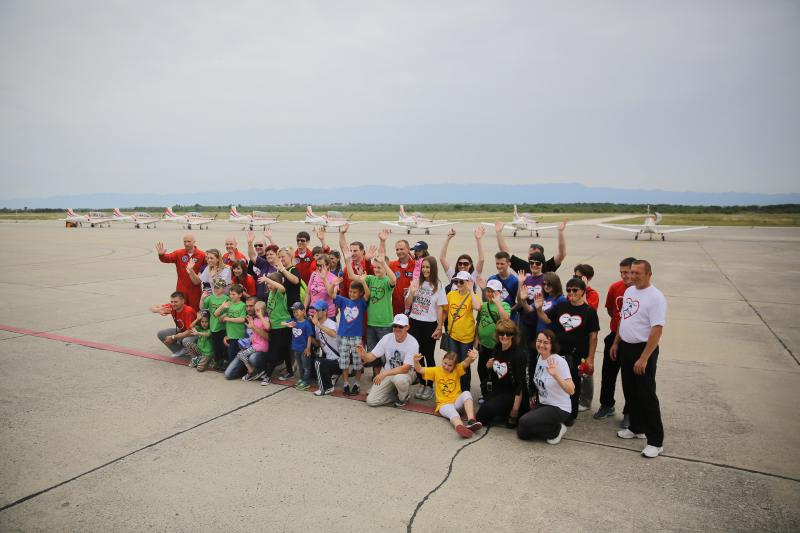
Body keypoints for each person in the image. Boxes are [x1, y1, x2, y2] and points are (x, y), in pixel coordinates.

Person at [612, 259, 667, 459]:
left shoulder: (656, 297)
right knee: (630, 391)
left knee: (646, 395)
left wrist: (644, 358)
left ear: (649, 274)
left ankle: (655, 441)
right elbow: (624, 318)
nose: (632, 276)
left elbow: (657, 330)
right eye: (631, 272)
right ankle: (636, 428)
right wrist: (616, 342)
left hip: (643, 350)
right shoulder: (629, 291)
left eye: (637, 273)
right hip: (626, 347)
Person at [534, 277, 599, 426]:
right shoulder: (562, 305)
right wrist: (539, 309)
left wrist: (590, 357)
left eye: (575, 290)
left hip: (576, 355)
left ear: (583, 291)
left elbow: (593, 336)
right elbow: (547, 320)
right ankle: (553, 407)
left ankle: (571, 414)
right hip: (558, 352)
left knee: (573, 383)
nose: (571, 293)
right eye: (569, 290)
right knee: (554, 379)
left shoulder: (589, 311)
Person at [594, 257, 636, 425]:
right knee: (608, 373)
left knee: (629, 378)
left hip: (631, 338)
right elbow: (611, 310)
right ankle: (607, 405)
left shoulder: (638, 291)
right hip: (614, 335)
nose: (624, 276)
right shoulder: (615, 287)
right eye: (621, 272)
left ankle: (629, 412)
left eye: (627, 272)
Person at [517, 330, 575, 444]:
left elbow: (571, 390)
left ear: (552, 345)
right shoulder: (540, 357)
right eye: (539, 341)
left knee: (524, 422)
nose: (541, 345)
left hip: (559, 407)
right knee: (522, 433)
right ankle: (548, 425)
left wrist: (556, 375)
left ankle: (557, 430)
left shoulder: (559, 362)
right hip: (543, 404)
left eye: (546, 342)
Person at [414, 351, 483, 438]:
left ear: (454, 366)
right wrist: (416, 361)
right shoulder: (436, 370)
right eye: (445, 363)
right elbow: (420, 370)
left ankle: (471, 421)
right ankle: (460, 426)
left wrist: (471, 357)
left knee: (466, 393)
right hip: (443, 404)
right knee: (453, 414)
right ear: (442, 360)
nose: (446, 366)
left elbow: (466, 362)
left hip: (457, 402)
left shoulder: (457, 369)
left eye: (450, 365)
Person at [406, 256, 447, 401]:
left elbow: (440, 308)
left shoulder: (438, 285)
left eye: (428, 267)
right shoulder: (416, 283)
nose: (425, 269)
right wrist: (412, 292)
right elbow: (408, 304)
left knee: (428, 355)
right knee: (417, 355)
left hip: (430, 324)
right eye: (423, 267)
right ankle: (422, 383)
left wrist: (439, 327)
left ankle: (429, 385)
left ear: (433, 268)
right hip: (415, 321)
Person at [358, 314, 419, 407]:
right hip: (388, 372)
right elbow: (372, 356)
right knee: (371, 401)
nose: (397, 329)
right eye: (395, 326)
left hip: (405, 373)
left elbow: (405, 368)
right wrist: (363, 354)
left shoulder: (413, 343)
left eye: (400, 326)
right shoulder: (387, 338)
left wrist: (383, 374)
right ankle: (394, 394)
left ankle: (403, 397)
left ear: (407, 327)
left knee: (399, 380)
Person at [475, 319, 527, 428]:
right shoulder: (497, 348)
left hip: (512, 393)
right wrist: (488, 367)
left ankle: (508, 411)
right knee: (481, 416)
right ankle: (502, 412)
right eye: (501, 333)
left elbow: (521, 385)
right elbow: (493, 374)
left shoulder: (519, 354)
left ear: (514, 335)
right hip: (498, 389)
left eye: (509, 333)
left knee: (486, 412)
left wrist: (515, 410)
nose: (505, 336)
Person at [347, 252, 395, 353]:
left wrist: (384, 263)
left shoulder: (387, 281)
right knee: (372, 353)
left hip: (385, 324)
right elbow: (351, 276)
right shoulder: (370, 279)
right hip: (371, 324)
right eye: (375, 267)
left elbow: (393, 280)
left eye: (379, 267)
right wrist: (347, 260)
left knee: (385, 354)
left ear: (385, 268)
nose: (376, 270)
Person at [473, 278, 511, 401]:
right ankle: (484, 391)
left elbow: (506, 319)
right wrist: (476, 338)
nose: (490, 294)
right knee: (481, 369)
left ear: (499, 293)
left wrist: (497, 302)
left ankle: (494, 393)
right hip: (483, 344)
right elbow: (478, 322)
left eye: (493, 291)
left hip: (496, 346)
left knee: (495, 370)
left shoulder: (504, 305)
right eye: (488, 291)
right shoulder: (484, 305)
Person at [445, 271, 482, 393]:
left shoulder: (472, 296)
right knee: (453, 362)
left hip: (466, 337)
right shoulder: (451, 294)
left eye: (462, 282)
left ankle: (465, 389)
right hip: (453, 336)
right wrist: (440, 327)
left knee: (465, 364)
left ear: (468, 282)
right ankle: (454, 387)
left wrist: (471, 290)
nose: (459, 284)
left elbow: (477, 307)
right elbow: (445, 310)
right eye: (456, 281)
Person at [333, 275, 369, 396]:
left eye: (354, 292)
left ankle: (357, 384)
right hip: (343, 335)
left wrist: (363, 282)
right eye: (350, 291)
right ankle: (346, 383)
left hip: (356, 336)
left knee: (357, 361)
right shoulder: (344, 301)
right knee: (344, 361)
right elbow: (332, 294)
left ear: (360, 293)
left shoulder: (361, 302)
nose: (351, 294)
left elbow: (368, 294)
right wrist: (333, 284)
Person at [494, 219, 568, 275]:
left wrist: (560, 232)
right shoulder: (522, 266)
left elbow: (562, 254)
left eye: (536, 254)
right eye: (531, 254)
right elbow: (505, 253)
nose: (533, 258)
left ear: (542, 256)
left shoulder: (547, 266)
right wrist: (498, 233)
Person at [156, 235, 206, 312]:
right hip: (181, 288)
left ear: (194, 242)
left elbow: (209, 266)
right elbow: (167, 258)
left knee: (195, 311)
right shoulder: (179, 253)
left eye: (189, 241)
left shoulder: (202, 255)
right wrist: (161, 255)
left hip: (195, 289)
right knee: (180, 309)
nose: (186, 243)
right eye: (185, 242)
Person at [223, 298, 269, 380]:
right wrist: (228, 336)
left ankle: (262, 370)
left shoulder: (264, 319)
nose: (248, 308)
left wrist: (253, 327)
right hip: (245, 349)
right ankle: (249, 370)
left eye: (251, 306)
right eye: (247, 306)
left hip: (259, 350)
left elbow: (268, 337)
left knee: (253, 358)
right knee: (228, 374)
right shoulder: (245, 317)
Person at [259, 272, 293, 382]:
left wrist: (267, 279)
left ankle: (268, 375)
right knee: (283, 350)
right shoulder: (270, 293)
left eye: (271, 283)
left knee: (276, 351)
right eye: (267, 283)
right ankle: (290, 371)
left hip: (282, 326)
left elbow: (282, 288)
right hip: (274, 326)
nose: (268, 285)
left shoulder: (280, 292)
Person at [150, 291, 197, 357]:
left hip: (196, 333)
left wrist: (173, 337)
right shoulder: (172, 307)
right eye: (171, 302)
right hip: (183, 330)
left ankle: (197, 355)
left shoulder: (188, 311)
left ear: (183, 301)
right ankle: (181, 351)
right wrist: (158, 310)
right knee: (161, 334)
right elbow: (151, 308)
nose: (173, 304)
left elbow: (190, 332)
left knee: (186, 341)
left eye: (175, 302)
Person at [379, 230, 415, 315]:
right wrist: (382, 242)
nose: (399, 251)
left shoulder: (416, 265)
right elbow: (382, 259)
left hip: (414, 311)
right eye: (397, 249)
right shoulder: (392, 265)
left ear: (408, 249)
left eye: (402, 249)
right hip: (396, 310)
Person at [515, 251, 548, 342]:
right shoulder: (526, 278)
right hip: (525, 321)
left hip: (540, 321)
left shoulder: (546, 279)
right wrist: (520, 283)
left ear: (542, 264)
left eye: (538, 263)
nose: (534, 265)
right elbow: (519, 300)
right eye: (531, 262)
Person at [311, 301, 341, 396]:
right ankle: (332, 377)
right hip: (329, 359)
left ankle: (326, 388)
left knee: (318, 362)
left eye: (318, 310)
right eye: (315, 310)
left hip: (339, 360)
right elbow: (318, 343)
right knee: (315, 362)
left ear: (325, 312)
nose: (315, 312)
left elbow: (333, 334)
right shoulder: (316, 326)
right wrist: (307, 336)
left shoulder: (331, 323)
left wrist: (318, 325)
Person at [285, 302, 316, 391]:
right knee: (300, 365)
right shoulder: (293, 321)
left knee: (306, 366)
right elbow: (282, 322)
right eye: (294, 312)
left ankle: (306, 381)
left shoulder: (306, 323)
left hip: (304, 349)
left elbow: (309, 336)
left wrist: (308, 348)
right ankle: (302, 379)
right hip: (296, 348)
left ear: (303, 311)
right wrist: (287, 324)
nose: (295, 313)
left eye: (297, 311)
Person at [200, 278, 230, 369]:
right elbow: (202, 307)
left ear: (223, 288)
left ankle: (225, 361)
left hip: (223, 327)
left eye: (218, 287)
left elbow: (229, 311)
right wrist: (202, 298)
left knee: (223, 346)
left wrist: (224, 315)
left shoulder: (226, 298)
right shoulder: (211, 298)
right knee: (216, 346)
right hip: (214, 326)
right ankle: (218, 361)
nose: (216, 289)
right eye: (215, 287)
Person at [337, 223, 375, 295]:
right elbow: (344, 248)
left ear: (362, 251)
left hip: (364, 300)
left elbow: (372, 274)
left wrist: (368, 261)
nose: (352, 253)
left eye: (355, 251)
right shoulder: (347, 268)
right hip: (350, 300)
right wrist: (341, 234)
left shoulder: (367, 265)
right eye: (351, 251)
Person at [216, 284, 247, 365]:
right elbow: (216, 314)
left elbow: (242, 319)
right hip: (229, 335)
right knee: (230, 354)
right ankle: (230, 367)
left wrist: (228, 319)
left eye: (233, 294)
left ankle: (235, 369)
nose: (231, 296)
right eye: (230, 294)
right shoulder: (228, 304)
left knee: (236, 355)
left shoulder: (243, 305)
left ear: (240, 295)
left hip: (238, 335)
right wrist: (222, 307)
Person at [246, 231, 278, 301]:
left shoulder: (279, 267)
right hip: (260, 299)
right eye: (267, 255)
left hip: (273, 301)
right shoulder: (264, 264)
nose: (268, 256)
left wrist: (270, 238)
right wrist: (250, 243)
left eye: (271, 254)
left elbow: (277, 250)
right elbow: (252, 256)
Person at [305, 253, 338, 319]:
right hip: (313, 312)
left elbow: (332, 295)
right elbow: (308, 294)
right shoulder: (314, 274)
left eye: (321, 266)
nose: (319, 268)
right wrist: (304, 308)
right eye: (317, 265)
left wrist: (324, 279)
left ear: (328, 265)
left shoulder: (333, 278)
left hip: (327, 314)